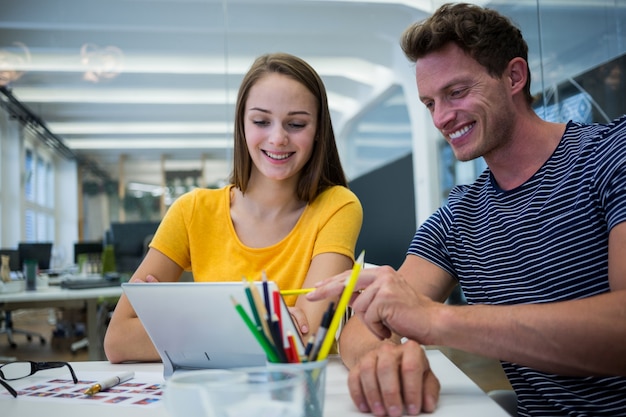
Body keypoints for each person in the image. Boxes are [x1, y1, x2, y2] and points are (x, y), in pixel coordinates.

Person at [307, 3, 626, 416]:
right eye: (429, 103)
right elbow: (359, 330)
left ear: (514, 76)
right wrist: (380, 357)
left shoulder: (612, 155)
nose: (441, 117)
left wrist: (438, 320)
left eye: (456, 92)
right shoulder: (458, 216)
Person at [104, 52, 363, 363]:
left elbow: (303, 341)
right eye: (261, 121)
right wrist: (263, 323)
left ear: (318, 130)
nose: (278, 138)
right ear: (241, 125)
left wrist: (186, 323)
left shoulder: (337, 206)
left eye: (295, 124)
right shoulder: (191, 211)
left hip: (298, 399)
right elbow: (119, 340)